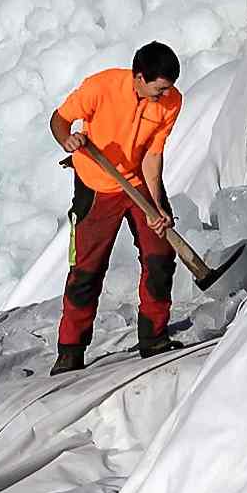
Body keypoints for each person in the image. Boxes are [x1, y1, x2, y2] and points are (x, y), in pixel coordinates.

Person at [49, 41, 186, 367]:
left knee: (160, 258)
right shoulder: (102, 86)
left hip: (138, 182)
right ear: (139, 77)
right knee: (86, 271)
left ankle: (154, 339)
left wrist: (157, 207)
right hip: (96, 186)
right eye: (159, 88)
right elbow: (59, 119)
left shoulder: (170, 102)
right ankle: (70, 352)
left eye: (169, 89)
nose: (164, 95)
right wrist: (67, 139)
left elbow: (153, 156)